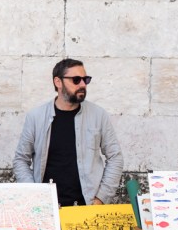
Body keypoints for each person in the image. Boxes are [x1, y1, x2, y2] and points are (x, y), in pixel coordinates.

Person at [13, 58, 123, 206]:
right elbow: (21, 160)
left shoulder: (98, 115)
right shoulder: (36, 117)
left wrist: (101, 199)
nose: (83, 84)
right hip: (47, 208)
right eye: (76, 80)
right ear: (58, 82)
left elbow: (115, 157)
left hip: (86, 207)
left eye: (85, 79)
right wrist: (34, 195)